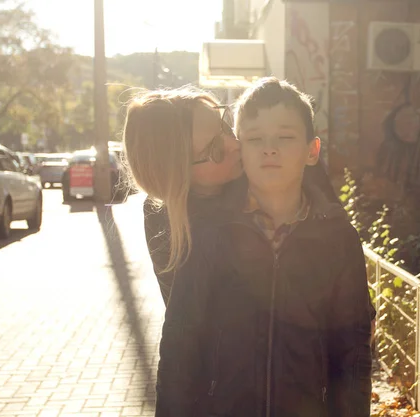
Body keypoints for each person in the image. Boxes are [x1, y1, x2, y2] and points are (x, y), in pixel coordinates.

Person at [155, 78, 374, 417]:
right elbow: (180, 346)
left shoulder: (338, 239)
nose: (269, 148)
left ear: (312, 150)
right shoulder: (208, 233)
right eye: (254, 138)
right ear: (239, 150)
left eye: (285, 137)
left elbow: (353, 350)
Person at [123, 87, 243, 303]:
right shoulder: (167, 221)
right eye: (215, 149)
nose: (235, 144)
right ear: (178, 174)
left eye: (226, 126)